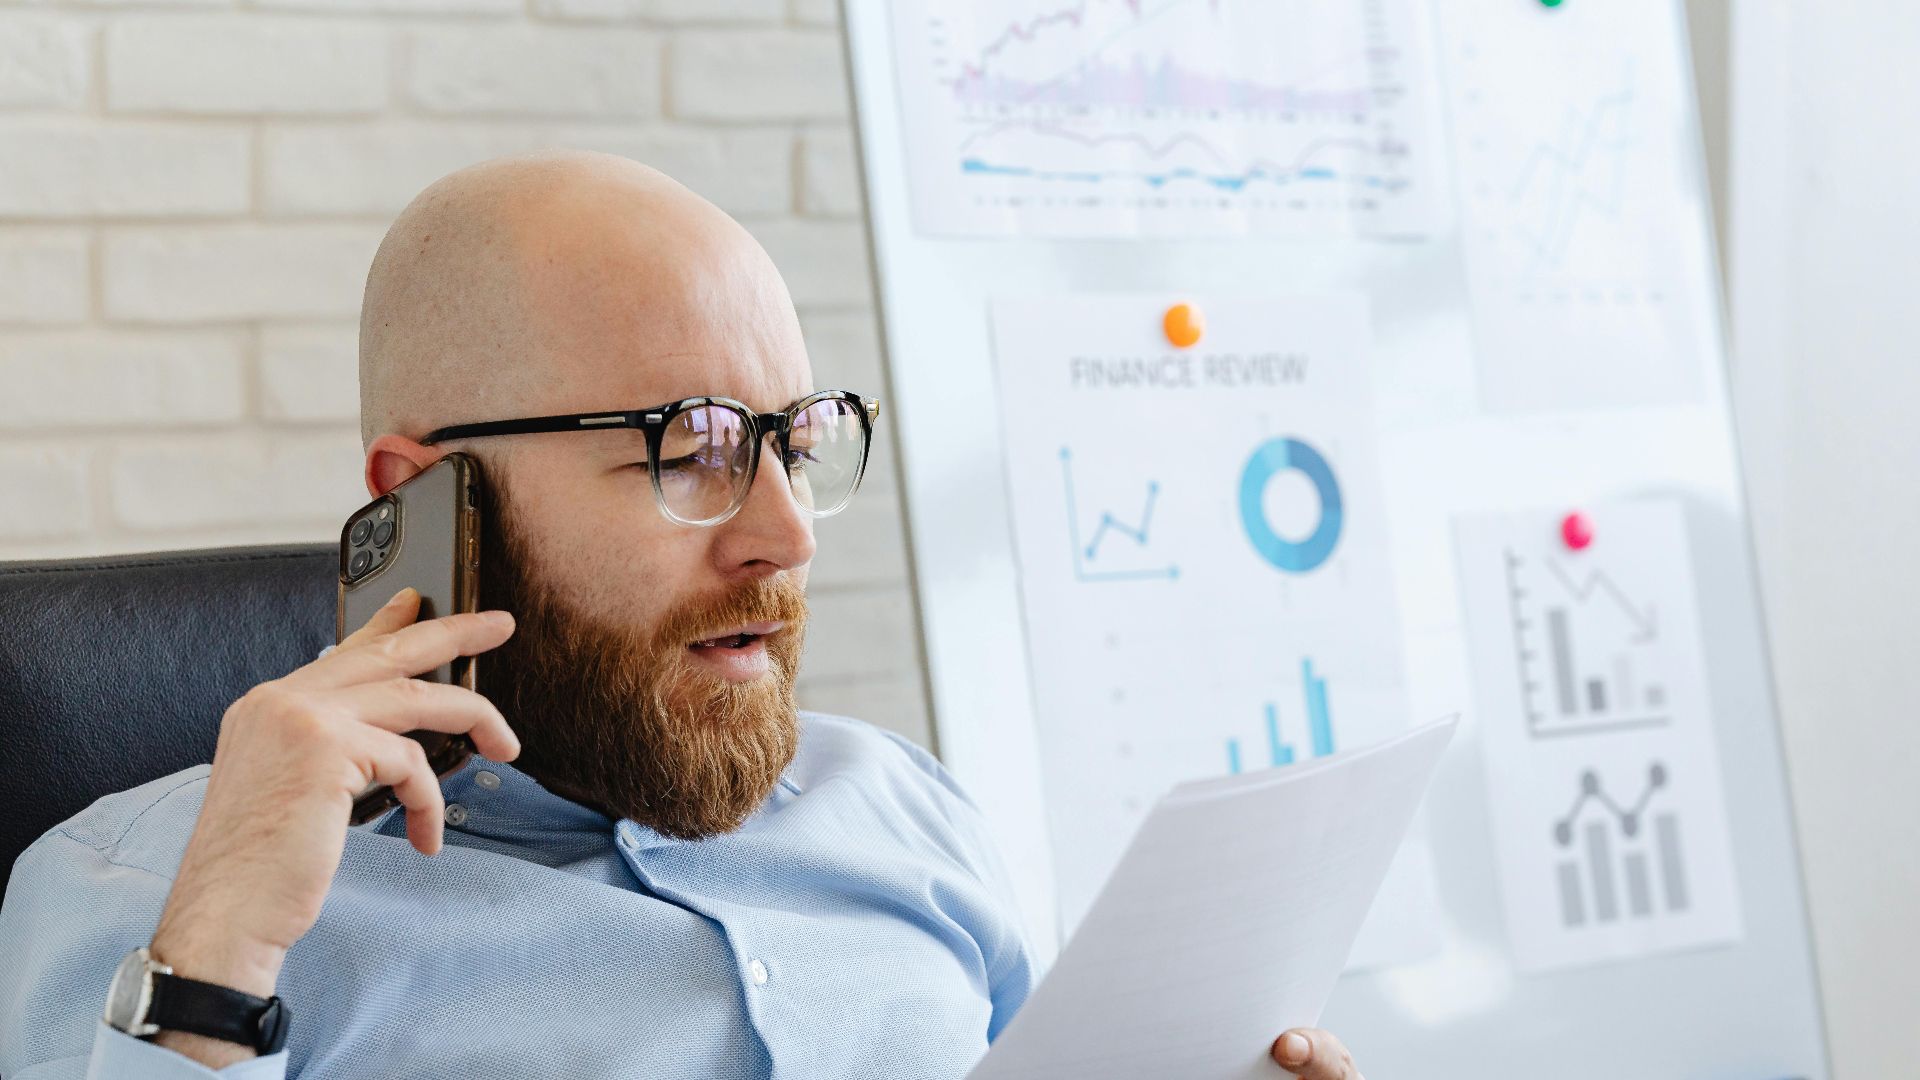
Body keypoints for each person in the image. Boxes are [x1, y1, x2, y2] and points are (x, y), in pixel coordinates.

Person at [0, 150, 1365, 1080]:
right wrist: (212, 971)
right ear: (430, 495)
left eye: (796, 439)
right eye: (691, 447)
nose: (782, 533)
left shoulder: (900, 808)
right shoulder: (156, 900)